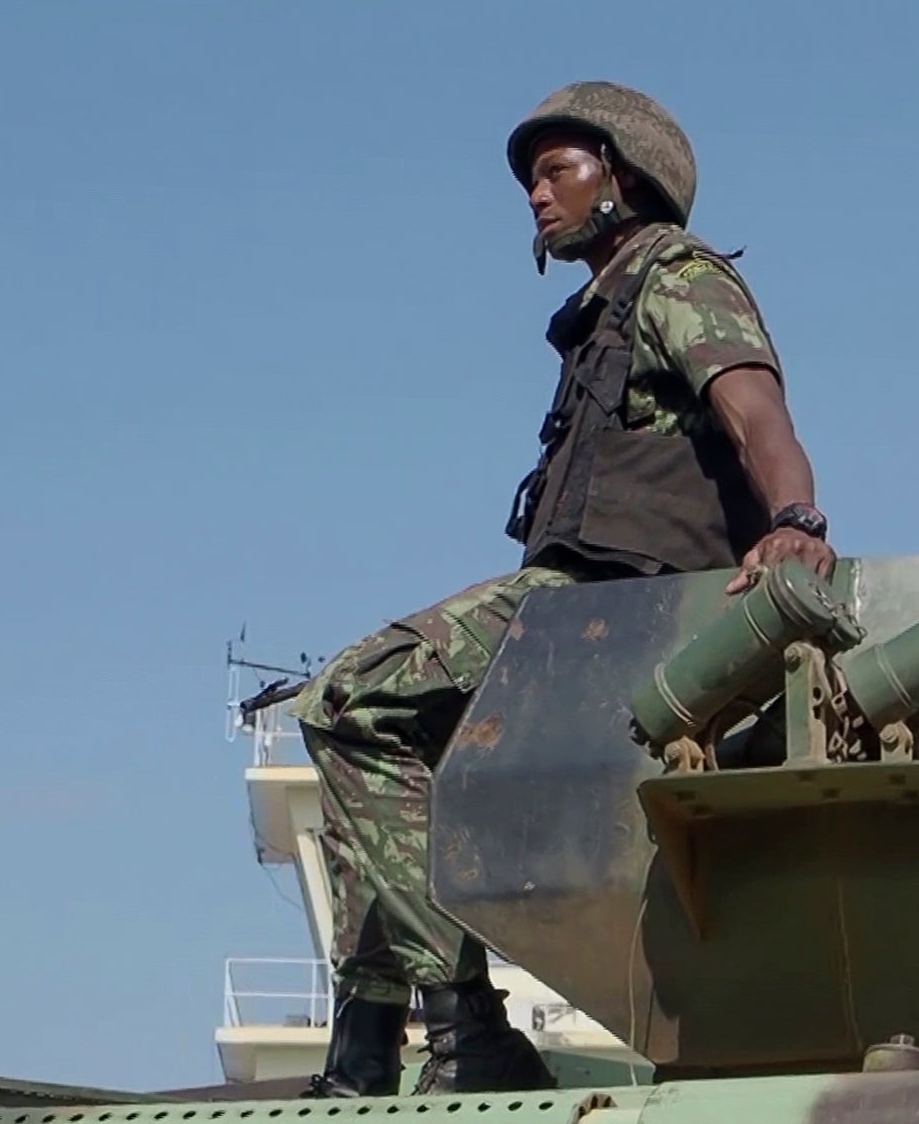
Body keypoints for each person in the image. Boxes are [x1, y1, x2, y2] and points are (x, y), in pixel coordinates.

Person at [290, 81, 837, 1098]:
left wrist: (795, 525)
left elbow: (757, 411)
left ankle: (470, 1029)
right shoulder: (600, 311)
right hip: (577, 610)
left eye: (557, 171)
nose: (536, 196)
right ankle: (363, 1049)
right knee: (385, 773)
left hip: (622, 610)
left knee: (348, 699)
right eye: (531, 179)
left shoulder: (675, 275)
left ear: (624, 176)